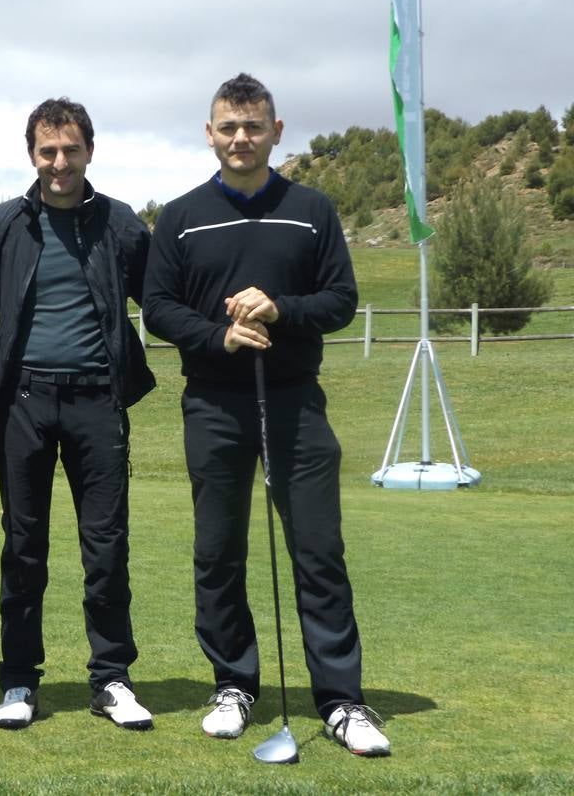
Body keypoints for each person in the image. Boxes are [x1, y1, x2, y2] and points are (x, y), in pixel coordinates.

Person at [142, 73, 390, 756]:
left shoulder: (311, 208)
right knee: (218, 553)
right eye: (228, 127)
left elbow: (339, 299)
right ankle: (234, 684)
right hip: (213, 403)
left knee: (317, 551)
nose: (241, 138)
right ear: (210, 133)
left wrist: (282, 309)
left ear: (277, 132)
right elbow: (158, 306)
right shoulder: (183, 216)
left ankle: (342, 700)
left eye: (253, 127)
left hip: (295, 403)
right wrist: (217, 336)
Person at [0, 98, 156, 731]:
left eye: (71, 150)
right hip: (23, 403)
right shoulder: (4, 225)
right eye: (47, 151)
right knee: (23, 550)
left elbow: (163, 295)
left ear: (89, 150)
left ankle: (112, 678)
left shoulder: (120, 225)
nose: (60, 163)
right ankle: (19, 683)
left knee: (106, 548)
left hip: (96, 402)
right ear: (32, 155)